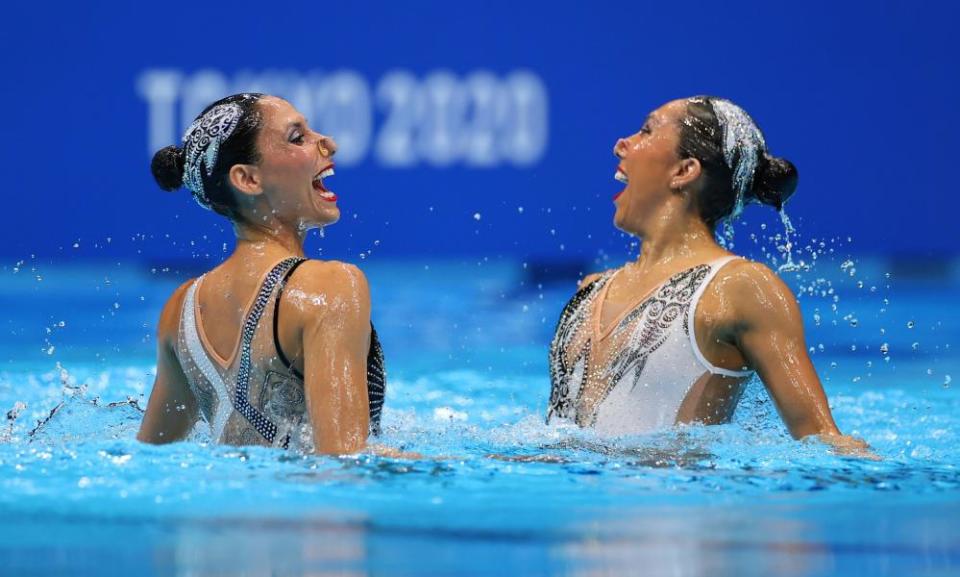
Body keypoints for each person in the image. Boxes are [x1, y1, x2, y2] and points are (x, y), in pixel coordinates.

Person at [547, 96, 870, 455]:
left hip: (678, 505)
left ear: (684, 170)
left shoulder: (740, 289)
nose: (621, 144)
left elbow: (823, 441)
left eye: (646, 130)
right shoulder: (593, 290)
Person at [137, 93, 385, 454]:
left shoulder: (182, 310)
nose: (328, 143)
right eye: (297, 138)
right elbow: (343, 461)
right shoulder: (331, 286)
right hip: (305, 508)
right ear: (248, 179)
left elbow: (150, 457)